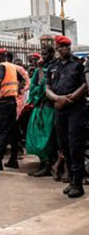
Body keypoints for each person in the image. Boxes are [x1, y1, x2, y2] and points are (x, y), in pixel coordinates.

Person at [45, 35, 87, 198]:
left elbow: (85, 85)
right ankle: (71, 179)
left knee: (75, 144)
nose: (62, 50)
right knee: (64, 145)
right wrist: (57, 99)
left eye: (65, 47)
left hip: (76, 108)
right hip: (59, 108)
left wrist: (69, 99)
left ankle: (78, 182)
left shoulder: (78, 64)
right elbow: (47, 87)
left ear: (69, 48)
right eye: (60, 47)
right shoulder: (53, 67)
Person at [0, 48, 26, 171]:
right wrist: (18, 89)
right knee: (13, 131)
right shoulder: (13, 67)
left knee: (2, 131)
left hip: (4, 102)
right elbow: (22, 79)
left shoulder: (2, 66)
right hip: (12, 101)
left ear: (2, 57)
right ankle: (13, 159)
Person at [25, 45, 56, 177]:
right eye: (42, 54)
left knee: (47, 138)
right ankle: (43, 164)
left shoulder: (54, 67)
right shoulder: (39, 69)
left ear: (52, 54)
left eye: (45, 54)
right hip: (40, 106)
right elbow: (34, 87)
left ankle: (48, 165)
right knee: (36, 136)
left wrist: (40, 89)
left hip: (49, 107)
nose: (43, 57)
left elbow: (45, 87)